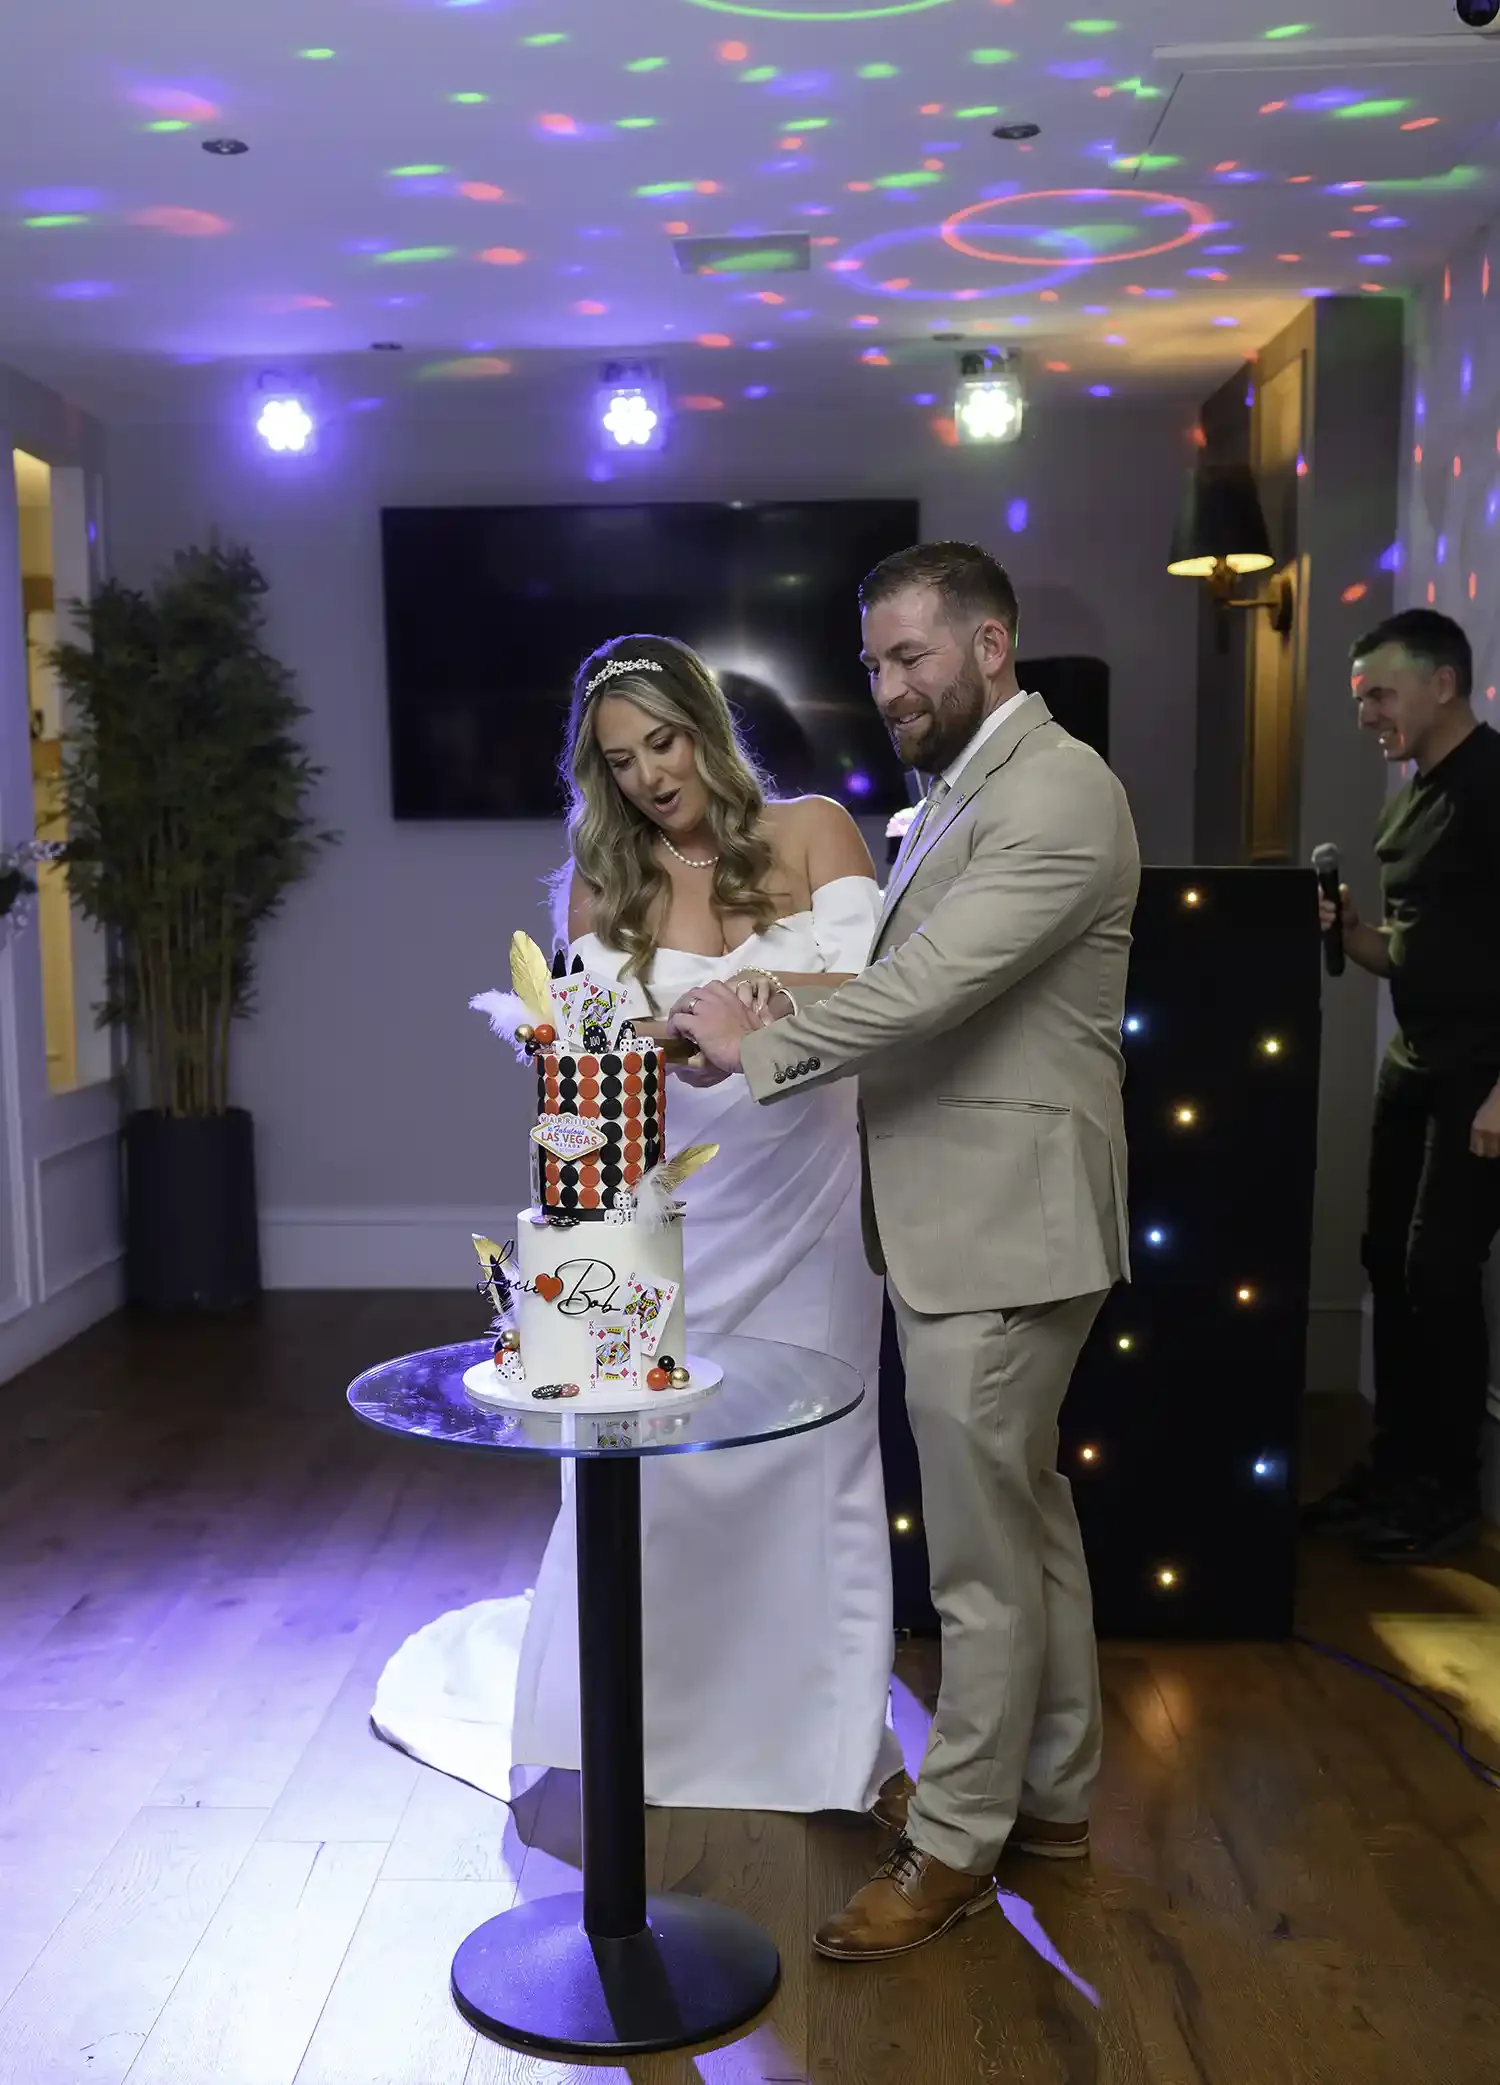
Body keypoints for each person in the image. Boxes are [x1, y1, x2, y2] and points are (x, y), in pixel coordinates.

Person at [673, 541, 1139, 1962]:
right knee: (1027, 1523)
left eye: (912, 656)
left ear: (992, 644)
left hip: (1004, 1228)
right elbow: (895, 974)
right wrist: (763, 1000)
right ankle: (1052, 1801)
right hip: (979, 1218)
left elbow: (930, 991)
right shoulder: (963, 794)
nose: (887, 687)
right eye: (874, 662)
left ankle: (952, 1844)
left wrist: (757, 1046)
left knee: (981, 1568)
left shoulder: (1057, 791)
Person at [372, 633, 905, 1815]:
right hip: (668, 1214)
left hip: (812, 1194)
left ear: (706, 727)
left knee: (815, 1458)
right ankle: (640, 1725)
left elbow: (886, 995)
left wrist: (756, 999)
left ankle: (824, 1746)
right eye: (621, 761)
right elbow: (580, 1056)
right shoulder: (601, 879)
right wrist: (659, 1037)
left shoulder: (817, 831)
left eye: (663, 743)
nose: (651, 776)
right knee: (650, 1467)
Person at [1304, 608, 1500, 1563]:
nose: (1367, 715)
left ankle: (1446, 1492)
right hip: (1413, 1061)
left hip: (1479, 1074)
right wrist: (1353, 936)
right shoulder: (1413, 797)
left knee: (1439, 1273)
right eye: (1360, 699)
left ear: (1443, 684)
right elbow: (1415, 951)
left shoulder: (1493, 786)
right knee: (1387, 1258)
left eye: (1380, 694)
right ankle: (1395, 1468)